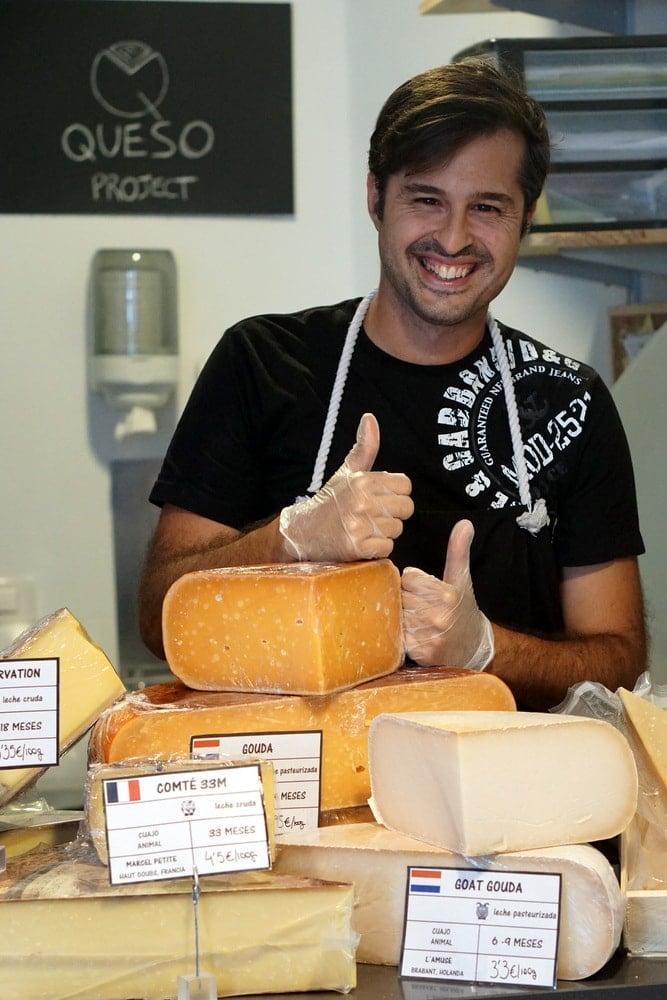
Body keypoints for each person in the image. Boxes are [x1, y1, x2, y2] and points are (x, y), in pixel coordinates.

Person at [139, 59, 647, 710]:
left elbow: (617, 660)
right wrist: (290, 541)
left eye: (487, 207)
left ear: (524, 221)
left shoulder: (564, 400)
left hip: (504, 794)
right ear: (375, 198)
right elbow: (159, 617)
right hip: (304, 787)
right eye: (426, 199)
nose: (453, 238)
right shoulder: (261, 363)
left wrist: (485, 648)